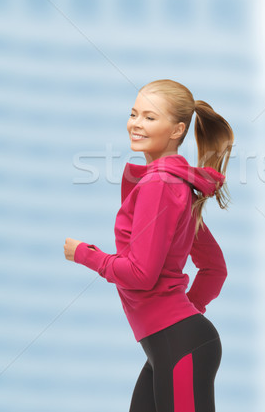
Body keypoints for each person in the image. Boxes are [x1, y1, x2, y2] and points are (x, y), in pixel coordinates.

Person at [63, 79, 234, 412]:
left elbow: (141, 273)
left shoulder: (160, 184)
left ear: (177, 130)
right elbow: (215, 269)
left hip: (178, 343)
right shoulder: (176, 185)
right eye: (133, 114)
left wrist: (85, 254)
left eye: (150, 117)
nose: (136, 124)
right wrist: (186, 311)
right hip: (172, 345)